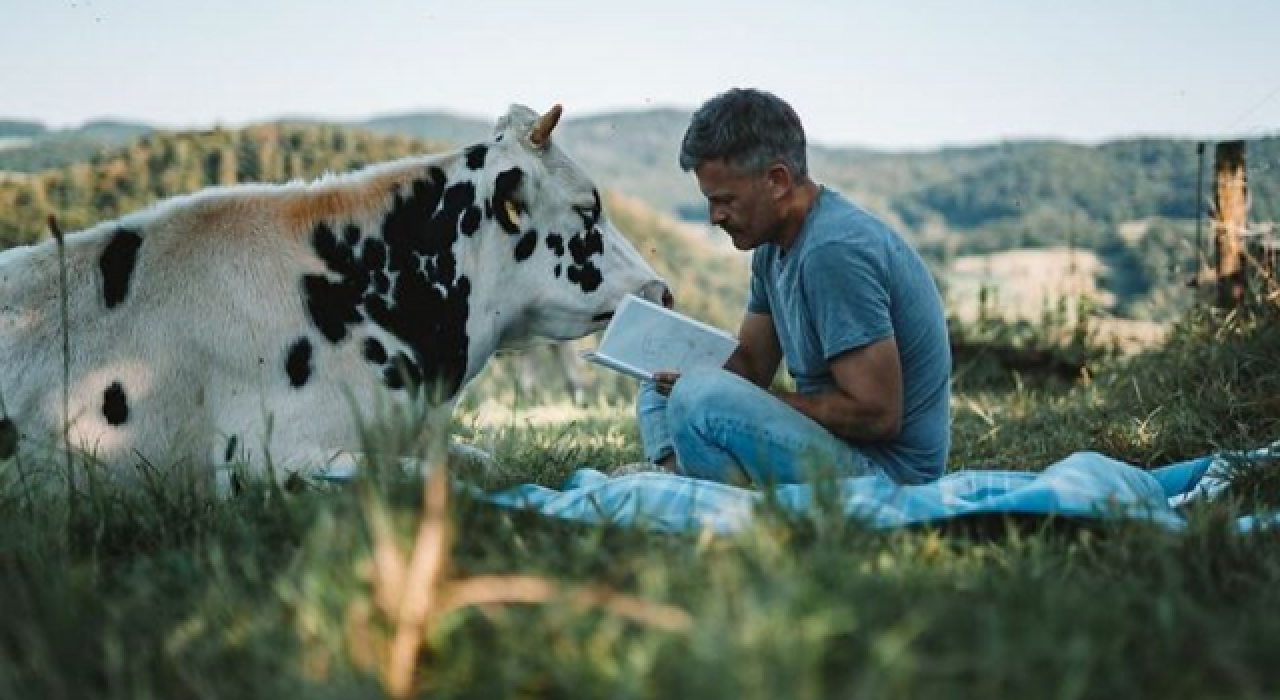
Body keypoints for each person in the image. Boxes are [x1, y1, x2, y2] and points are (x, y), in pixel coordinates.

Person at [634, 88, 951, 486]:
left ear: (777, 181)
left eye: (726, 200)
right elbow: (752, 365)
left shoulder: (832, 252)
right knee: (660, 372)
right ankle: (673, 478)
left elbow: (878, 415)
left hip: (885, 474)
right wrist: (674, 345)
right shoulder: (772, 247)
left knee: (696, 397)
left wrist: (744, 399)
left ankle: (690, 491)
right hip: (830, 447)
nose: (715, 217)